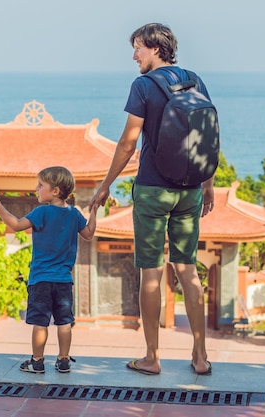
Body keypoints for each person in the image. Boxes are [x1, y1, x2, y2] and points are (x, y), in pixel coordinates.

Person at [88, 23, 214, 376]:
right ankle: (200, 357)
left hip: (152, 189)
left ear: (156, 49)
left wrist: (104, 185)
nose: (134, 56)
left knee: (151, 272)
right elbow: (205, 134)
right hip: (190, 189)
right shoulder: (194, 80)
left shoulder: (143, 85)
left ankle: (151, 357)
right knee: (187, 270)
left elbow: (129, 142)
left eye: (138, 48)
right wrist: (207, 183)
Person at [0, 166, 97, 374]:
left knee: (40, 323)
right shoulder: (74, 214)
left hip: (40, 279)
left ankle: (37, 361)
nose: (36, 189)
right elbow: (88, 233)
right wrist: (94, 211)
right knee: (64, 322)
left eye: (40, 185)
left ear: (55, 191)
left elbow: (16, 225)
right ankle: (63, 361)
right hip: (63, 280)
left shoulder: (42, 211)